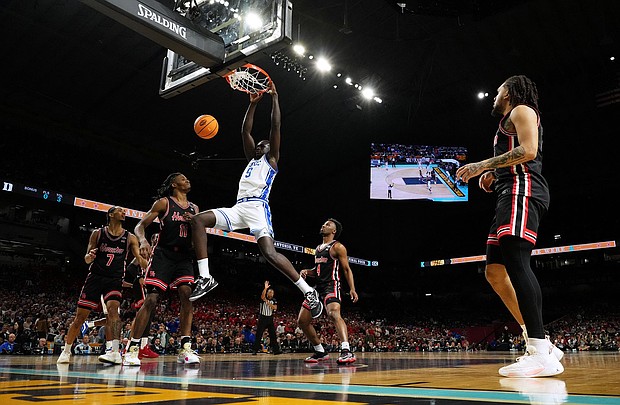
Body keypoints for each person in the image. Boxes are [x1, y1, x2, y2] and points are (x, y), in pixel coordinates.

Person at [455, 75, 563, 378]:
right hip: (508, 190)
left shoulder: (521, 110)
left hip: (523, 190)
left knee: (517, 262)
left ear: (511, 92)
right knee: (494, 271)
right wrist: (494, 174)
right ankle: (541, 342)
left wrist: (483, 165)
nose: (494, 95)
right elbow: (516, 155)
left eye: (498, 90)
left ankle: (540, 351)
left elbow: (529, 151)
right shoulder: (506, 121)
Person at [189, 82, 323, 319]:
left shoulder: (271, 159)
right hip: (239, 207)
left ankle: (308, 291)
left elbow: (276, 125)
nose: (260, 145)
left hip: (258, 207)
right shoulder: (252, 159)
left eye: (265, 144)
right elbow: (245, 132)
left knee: (269, 254)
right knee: (199, 221)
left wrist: (275, 98)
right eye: (259, 144)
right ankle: (205, 277)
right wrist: (252, 104)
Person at [125, 173, 200, 366]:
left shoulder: (195, 208)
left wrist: (196, 224)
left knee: (186, 294)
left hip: (184, 256)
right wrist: (142, 241)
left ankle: (185, 348)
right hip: (163, 254)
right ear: (174, 184)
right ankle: (132, 349)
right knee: (151, 299)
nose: (187, 180)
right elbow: (140, 225)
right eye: (183, 178)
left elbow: (197, 238)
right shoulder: (164, 203)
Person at [57, 206, 145, 365]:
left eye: (124, 211)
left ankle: (115, 351)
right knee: (80, 318)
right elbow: (87, 258)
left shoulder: (130, 237)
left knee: (114, 312)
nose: (124, 213)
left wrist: (146, 261)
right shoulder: (98, 234)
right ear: (111, 215)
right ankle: (66, 350)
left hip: (115, 279)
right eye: (120, 211)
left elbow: (140, 259)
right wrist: (89, 256)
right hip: (95, 278)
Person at [298, 218, 358, 365]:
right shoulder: (318, 248)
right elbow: (318, 271)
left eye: (328, 224)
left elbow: (346, 269)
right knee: (302, 321)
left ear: (333, 231)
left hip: (332, 286)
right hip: (317, 288)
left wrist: (352, 289)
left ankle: (346, 350)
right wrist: (308, 271)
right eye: (324, 223)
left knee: (333, 313)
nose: (324, 225)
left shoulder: (338, 247)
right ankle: (320, 351)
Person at [252, 281, 281, 355]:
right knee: (259, 334)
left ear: (273, 294)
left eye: (272, 292)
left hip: (270, 318)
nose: (270, 293)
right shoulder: (263, 298)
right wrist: (265, 288)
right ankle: (255, 350)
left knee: (273, 335)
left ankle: (276, 350)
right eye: (269, 292)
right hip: (262, 318)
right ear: (267, 293)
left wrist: (268, 303)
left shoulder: (274, 300)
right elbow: (262, 296)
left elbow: (275, 308)